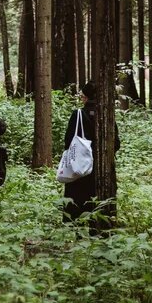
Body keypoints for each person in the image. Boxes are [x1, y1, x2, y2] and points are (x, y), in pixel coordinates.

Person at [61, 81, 119, 223]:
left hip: (80, 170)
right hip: (101, 170)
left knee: (78, 206)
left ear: (85, 97)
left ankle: (78, 235)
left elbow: (68, 142)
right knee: (99, 208)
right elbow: (116, 143)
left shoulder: (78, 114)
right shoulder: (107, 116)